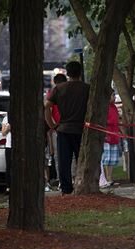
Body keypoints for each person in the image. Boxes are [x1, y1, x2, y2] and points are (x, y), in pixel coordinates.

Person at [44, 61, 89, 194]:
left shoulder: (59, 88)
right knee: (82, 160)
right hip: (81, 129)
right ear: (80, 72)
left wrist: (52, 125)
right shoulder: (87, 88)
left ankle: (66, 189)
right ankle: (82, 186)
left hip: (63, 129)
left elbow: (46, 107)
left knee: (64, 162)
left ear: (67, 73)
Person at [46, 73, 67, 185]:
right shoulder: (53, 93)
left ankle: (63, 180)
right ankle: (63, 179)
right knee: (61, 155)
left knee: (61, 155)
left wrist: (52, 125)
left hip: (59, 127)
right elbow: (48, 109)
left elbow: (47, 109)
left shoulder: (53, 92)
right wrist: (53, 125)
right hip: (59, 127)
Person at [101, 89, 120, 187]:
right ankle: (105, 179)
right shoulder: (104, 108)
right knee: (106, 159)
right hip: (107, 136)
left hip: (114, 135)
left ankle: (110, 178)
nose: (115, 97)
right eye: (113, 95)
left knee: (112, 159)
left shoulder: (114, 107)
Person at [1, 114, 12, 194]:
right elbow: (3, 133)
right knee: (9, 167)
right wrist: (8, 128)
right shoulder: (6, 118)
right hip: (9, 146)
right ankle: (9, 187)